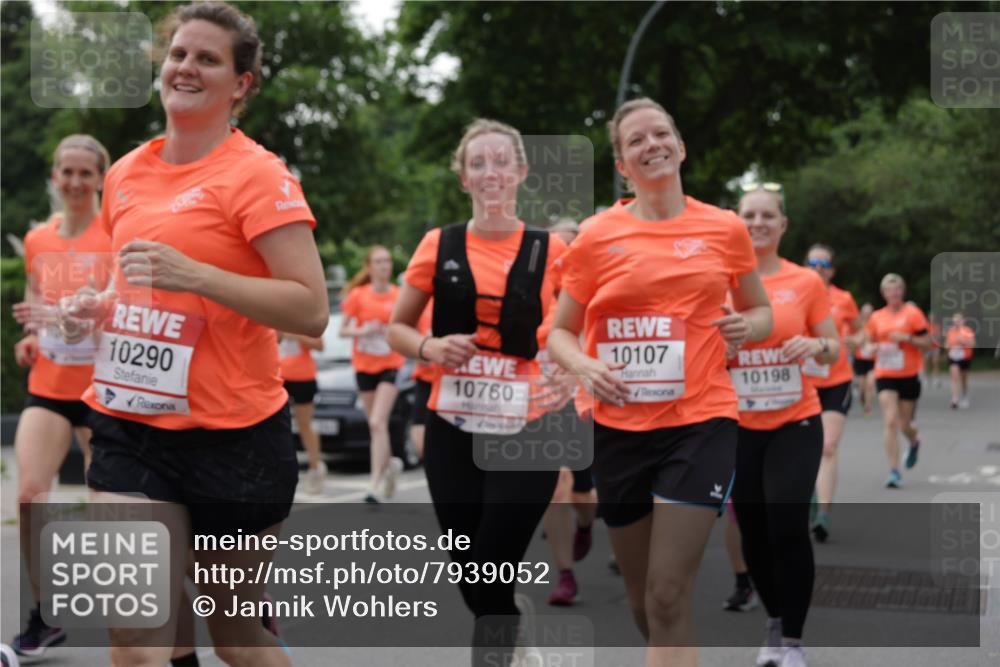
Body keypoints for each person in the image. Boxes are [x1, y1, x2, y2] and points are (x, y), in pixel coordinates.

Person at [57, 4, 328, 665]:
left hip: (234, 439)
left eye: (208, 59)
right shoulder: (125, 172)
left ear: (241, 83)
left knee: (234, 637)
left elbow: (310, 309)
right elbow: (141, 285)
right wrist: (101, 306)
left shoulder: (258, 175)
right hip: (130, 425)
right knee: (137, 631)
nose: (186, 67)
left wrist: (198, 274)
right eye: (179, 53)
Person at [546, 98, 772, 667]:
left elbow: (760, 311)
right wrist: (584, 365)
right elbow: (560, 332)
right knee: (645, 602)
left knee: (669, 591)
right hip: (617, 426)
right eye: (636, 142)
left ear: (681, 144)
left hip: (702, 420)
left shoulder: (723, 228)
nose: (652, 145)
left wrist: (747, 325)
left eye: (661, 134)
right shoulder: (597, 236)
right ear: (622, 165)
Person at [388, 118, 570, 664]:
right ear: (464, 178)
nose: (490, 172)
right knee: (471, 569)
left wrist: (569, 364)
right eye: (477, 163)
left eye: (500, 162)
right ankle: (510, 621)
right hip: (454, 423)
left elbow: (576, 326)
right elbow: (399, 327)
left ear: (520, 172)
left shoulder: (552, 249)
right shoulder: (436, 244)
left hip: (529, 424)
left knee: (495, 558)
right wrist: (430, 349)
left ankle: (499, 642)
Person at [9, 134, 113, 659]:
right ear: (54, 176)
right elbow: (35, 293)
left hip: (106, 391)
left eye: (85, 173)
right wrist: (32, 334)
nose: (74, 182)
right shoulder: (38, 239)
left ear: (100, 178)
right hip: (49, 386)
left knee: (112, 509)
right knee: (29, 497)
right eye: (65, 172)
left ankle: (237, 598)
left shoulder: (115, 235)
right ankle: (45, 614)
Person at [731, 185, 840, 667]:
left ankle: (793, 640)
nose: (757, 223)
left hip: (796, 420)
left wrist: (815, 348)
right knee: (753, 533)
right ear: (737, 222)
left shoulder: (806, 282)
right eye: (748, 215)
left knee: (786, 523)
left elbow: (834, 347)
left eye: (766, 215)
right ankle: (774, 622)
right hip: (737, 426)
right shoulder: (721, 283)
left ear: (782, 224)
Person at [801, 244, 861, 543]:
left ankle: (823, 514)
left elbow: (861, 331)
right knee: (802, 448)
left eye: (824, 263)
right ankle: (810, 492)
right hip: (802, 383)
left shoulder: (844, 299)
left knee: (827, 446)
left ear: (832, 270)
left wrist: (855, 340)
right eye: (812, 262)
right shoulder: (794, 292)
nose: (818, 267)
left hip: (836, 381)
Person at [339, 245, 406, 503]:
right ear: (369, 267)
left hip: (391, 364)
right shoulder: (358, 295)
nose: (384, 266)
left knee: (378, 422)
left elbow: (405, 327)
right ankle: (391, 464)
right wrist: (362, 332)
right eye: (378, 262)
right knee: (374, 425)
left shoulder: (399, 295)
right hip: (364, 365)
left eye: (387, 261)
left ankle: (375, 483)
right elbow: (342, 331)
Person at [864, 274, 931, 488]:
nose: (893, 294)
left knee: (904, 425)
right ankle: (894, 470)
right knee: (890, 420)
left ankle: (914, 441)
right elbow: (867, 343)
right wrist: (871, 347)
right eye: (889, 290)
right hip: (885, 374)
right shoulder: (876, 317)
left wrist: (908, 338)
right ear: (883, 293)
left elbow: (928, 343)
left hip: (909, 375)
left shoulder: (913, 314)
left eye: (897, 289)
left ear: (902, 291)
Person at [278, 330, 326, 493]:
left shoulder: (298, 316)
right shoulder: (272, 315)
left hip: (303, 377)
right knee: (278, 425)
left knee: (304, 424)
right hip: (278, 376)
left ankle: (315, 467)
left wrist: (295, 335)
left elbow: (319, 345)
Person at [945, 312, 976, 409]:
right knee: (954, 377)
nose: (957, 321)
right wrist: (948, 347)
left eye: (959, 319)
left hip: (965, 357)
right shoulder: (950, 331)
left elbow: (973, 344)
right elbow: (946, 344)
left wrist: (963, 342)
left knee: (964, 379)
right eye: (955, 319)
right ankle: (954, 399)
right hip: (953, 357)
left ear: (963, 320)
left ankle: (965, 396)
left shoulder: (967, 330)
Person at [851, 303, 876, 415]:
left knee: (870, 383)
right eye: (865, 312)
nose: (867, 315)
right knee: (861, 385)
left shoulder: (877, 324)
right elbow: (852, 341)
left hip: (873, 358)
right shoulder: (857, 326)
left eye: (869, 313)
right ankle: (862, 398)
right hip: (860, 358)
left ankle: (868, 406)